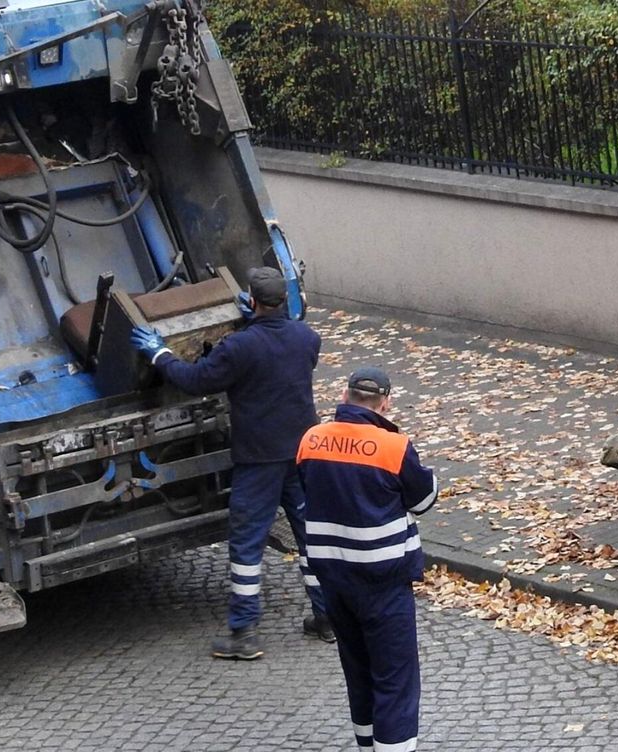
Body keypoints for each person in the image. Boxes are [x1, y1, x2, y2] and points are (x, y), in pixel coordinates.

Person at [130, 267, 333, 660]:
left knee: (246, 544)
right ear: (285, 302)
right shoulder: (307, 338)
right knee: (312, 538)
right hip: (302, 453)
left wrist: (158, 352)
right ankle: (328, 618)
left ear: (253, 301)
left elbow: (194, 380)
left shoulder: (239, 347)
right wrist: (260, 319)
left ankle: (243, 633)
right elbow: (282, 346)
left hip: (258, 460)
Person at [296, 367, 438, 752]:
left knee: (358, 674)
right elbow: (424, 499)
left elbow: (309, 487)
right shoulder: (394, 446)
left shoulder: (312, 439)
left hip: (334, 581)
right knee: (394, 680)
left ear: (344, 396)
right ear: (385, 403)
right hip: (383, 582)